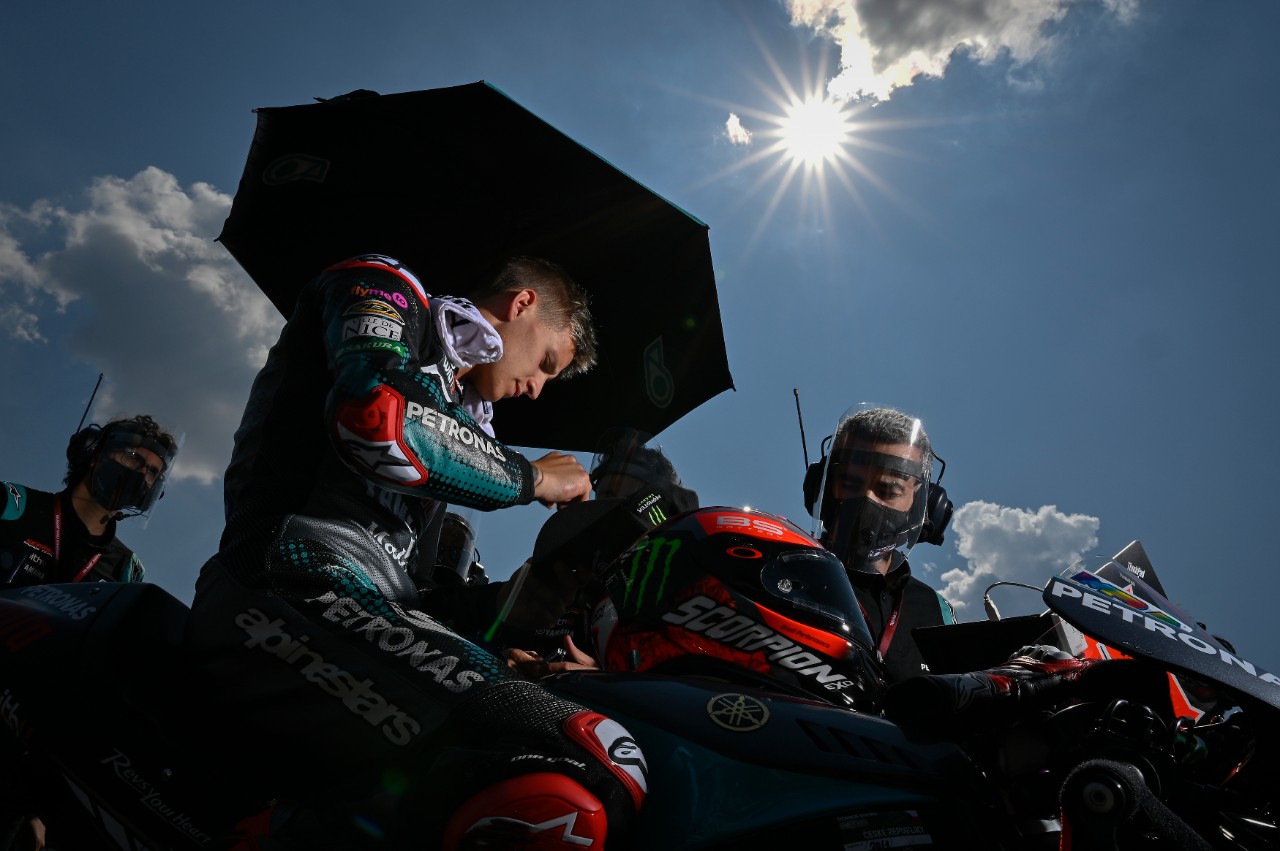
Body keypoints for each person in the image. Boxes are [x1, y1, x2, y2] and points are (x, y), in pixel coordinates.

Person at [186, 254, 647, 850]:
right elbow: (373, 419)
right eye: (546, 363)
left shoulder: (457, 419)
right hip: (282, 578)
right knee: (579, 753)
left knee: (587, 724)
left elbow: (420, 601)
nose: (536, 389)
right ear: (522, 304)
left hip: (358, 611)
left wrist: (532, 596)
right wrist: (532, 478)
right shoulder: (387, 287)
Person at [805, 406, 955, 684]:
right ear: (821, 489)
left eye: (888, 490)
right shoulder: (784, 573)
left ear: (921, 506)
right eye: (850, 482)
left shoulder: (937, 610)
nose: (867, 500)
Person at [2, 414, 178, 587]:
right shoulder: (12, 504)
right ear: (95, 454)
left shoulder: (125, 568)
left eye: (152, 472)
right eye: (133, 457)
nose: (141, 473)